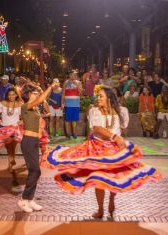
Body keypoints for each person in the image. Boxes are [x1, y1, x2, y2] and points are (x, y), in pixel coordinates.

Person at [43, 85, 161, 219]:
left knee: (114, 177)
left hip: (114, 149)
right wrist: (114, 136)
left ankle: (111, 199)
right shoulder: (94, 111)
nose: (97, 98)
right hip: (98, 149)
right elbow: (97, 128)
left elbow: (122, 129)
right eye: (97, 96)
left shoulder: (121, 111)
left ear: (109, 99)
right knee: (98, 179)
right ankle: (100, 209)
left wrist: (119, 140)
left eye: (100, 96)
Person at [17, 81, 59, 213]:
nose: (36, 95)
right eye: (34, 93)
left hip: (34, 141)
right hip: (28, 141)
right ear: (29, 94)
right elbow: (41, 98)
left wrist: (40, 89)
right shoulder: (25, 106)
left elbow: (41, 96)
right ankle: (24, 200)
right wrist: (50, 86)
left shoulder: (34, 108)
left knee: (35, 171)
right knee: (35, 170)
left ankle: (30, 199)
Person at [0, 88, 22, 173]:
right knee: (8, 147)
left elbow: (25, 114)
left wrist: (22, 120)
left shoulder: (20, 104)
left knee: (13, 147)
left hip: (15, 128)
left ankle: (11, 163)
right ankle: (11, 162)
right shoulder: (3, 103)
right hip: (5, 129)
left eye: (13, 94)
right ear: (7, 96)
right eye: (10, 95)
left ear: (16, 95)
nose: (11, 96)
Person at [62, 70, 83, 139]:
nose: (73, 76)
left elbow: (81, 93)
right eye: (72, 75)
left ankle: (74, 133)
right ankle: (68, 134)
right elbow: (63, 93)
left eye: (74, 75)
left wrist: (77, 85)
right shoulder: (65, 83)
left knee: (75, 120)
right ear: (69, 75)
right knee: (67, 120)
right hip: (68, 104)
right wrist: (62, 103)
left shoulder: (78, 82)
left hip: (76, 104)